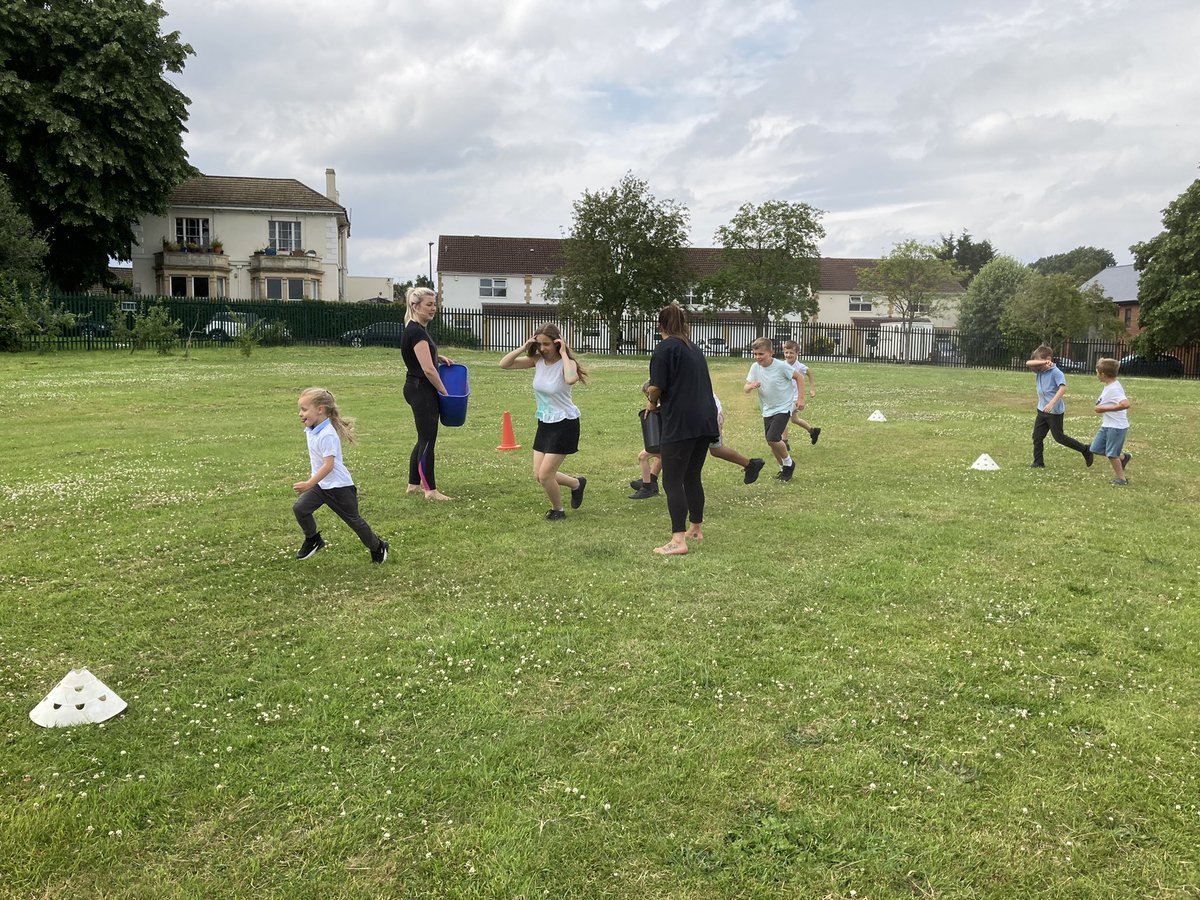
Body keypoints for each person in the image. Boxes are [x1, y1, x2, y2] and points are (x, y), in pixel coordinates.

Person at [646, 304, 720, 555]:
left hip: (681, 422)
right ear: (684, 324)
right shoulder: (694, 348)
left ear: (661, 326)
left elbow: (656, 386)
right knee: (692, 476)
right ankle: (696, 527)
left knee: (672, 480)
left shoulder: (665, 348)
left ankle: (678, 540)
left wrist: (650, 401)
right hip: (705, 420)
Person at [498, 324, 588, 519]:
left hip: (565, 423)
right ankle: (576, 483)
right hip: (545, 422)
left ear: (557, 343)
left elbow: (571, 379)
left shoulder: (567, 364)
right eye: (539, 344)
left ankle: (558, 511)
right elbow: (504, 364)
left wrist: (564, 353)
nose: (542, 348)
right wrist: (524, 347)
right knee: (539, 475)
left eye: (547, 344)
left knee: (546, 475)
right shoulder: (536, 361)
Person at [292, 387, 388, 563]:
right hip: (322, 486)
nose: (300, 413)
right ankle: (313, 539)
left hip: (339, 488)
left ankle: (378, 546)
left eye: (304, 409)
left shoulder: (327, 434)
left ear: (320, 409)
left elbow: (329, 466)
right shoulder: (311, 429)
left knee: (354, 521)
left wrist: (308, 484)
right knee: (300, 509)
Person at [400, 287, 454, 501]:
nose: (433, 308)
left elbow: (424, 358)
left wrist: (439, 357)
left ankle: (413, 484)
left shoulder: (415, 329)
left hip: (414, 386)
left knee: (423, 438)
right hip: (421, 389)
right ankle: (430, 490)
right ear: (415, 306)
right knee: (428, 440)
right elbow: (428, 370)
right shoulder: (416, 332)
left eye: (434, 304)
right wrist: (444, 392)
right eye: (429, 305)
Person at [1024, 344, 1093, 469]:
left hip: (1054, 411)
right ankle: (1038, 462)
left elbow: (1063, 388)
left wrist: (1051, 403)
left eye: (1039, 361)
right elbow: (1028, 363)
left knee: (1059, 438)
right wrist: (1042, 362)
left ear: (1049, 359)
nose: (1036, 365)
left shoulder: (1056, 372)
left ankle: (1085, 449)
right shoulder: (1039, 369)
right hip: (1042, 410)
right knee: (1037, 436)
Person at [744, 337, 804, 481]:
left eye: (761, 354)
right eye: (755, 354)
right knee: (771, 442)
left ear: (771, 352)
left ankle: (789, 463)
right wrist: (751, 386)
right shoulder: (755, 367)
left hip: (783, 407)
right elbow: (745, 388)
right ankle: (783, 469)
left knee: (773, 438)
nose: (758, 357)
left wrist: (801, 398)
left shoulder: (781, 366)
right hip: (767, 409)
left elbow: (799, 377)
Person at [1090, 357, 1133, 485]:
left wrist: (1104, 408)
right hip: (1107, 425)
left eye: (1097, 372)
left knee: (1111, 454)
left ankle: (1121, 479)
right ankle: (1123, 458)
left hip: (1116, 427)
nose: (1096, 374)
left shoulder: (1115, 388)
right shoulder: (1109, 386)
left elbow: (1126, 404)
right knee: (1095, 448)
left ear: (1103, 374)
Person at [780, 340, 822, 445]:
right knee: (794, 420)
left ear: (797, 353)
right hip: (785, 397)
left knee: (783, 417)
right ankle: (813, 431)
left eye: (791, 353)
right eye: (786, 352)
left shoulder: (800, 367)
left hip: (795, 398)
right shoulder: (781, 365)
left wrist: (812, 389)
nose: (788, 355)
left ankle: (784, 442)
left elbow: (810, 374)